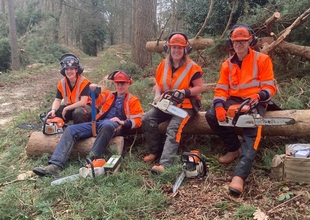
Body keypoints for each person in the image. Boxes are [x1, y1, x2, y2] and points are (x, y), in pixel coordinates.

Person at [205, 24, 276, 194]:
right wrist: (219, 106)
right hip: (235, 99)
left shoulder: (262, 60)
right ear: (232, 42)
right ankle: (233, 147)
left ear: (250, 41)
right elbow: (221, 89)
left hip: (256, 99)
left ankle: (240, 176)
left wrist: (259, 96)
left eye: (243, 41)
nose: (239, 44)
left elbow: (269, 87)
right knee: (211, 115)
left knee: (251, 131)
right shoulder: (227, 65)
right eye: (236, 41)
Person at [33, 70, 144, 178]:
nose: (120, 86)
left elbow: (138, 121)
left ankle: (92, 160)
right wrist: (93, 91)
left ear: (128, 83)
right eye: (118, 83)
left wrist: (122, 122)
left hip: (116, 126)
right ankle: (55, 165)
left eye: (123, 83)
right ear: (114, 83)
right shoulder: (109, 94)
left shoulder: (133, 100)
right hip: (98, 123)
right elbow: (95, 99)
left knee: (108, 125)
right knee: (71, 130)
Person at [142, 31, 203, 174]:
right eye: (174, 47)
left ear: (185, 49)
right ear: (168, 48)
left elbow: (199, 87)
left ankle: (164, 164)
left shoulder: (192, 67)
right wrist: (157, 94)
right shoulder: (163, 64)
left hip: (185, 106)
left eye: (180, 48)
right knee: (147, 118)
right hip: (166, 103)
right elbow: (158, 83)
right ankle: (155, 151)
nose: (176, 50)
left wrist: (185, 92)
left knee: (173, 128)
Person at [47, 53, 92, 124]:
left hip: (85, 108)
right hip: (70, 108)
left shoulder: (84, 82)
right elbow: (58, 99)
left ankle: (79, 131)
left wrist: (66, 108)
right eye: (66, 69)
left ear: (76, 70)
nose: (69, 72)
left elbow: (83, 103)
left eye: (71, 69)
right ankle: (60, 127)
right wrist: (53, 110)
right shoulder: (61, 83)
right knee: (51, 111)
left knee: (78, 112)